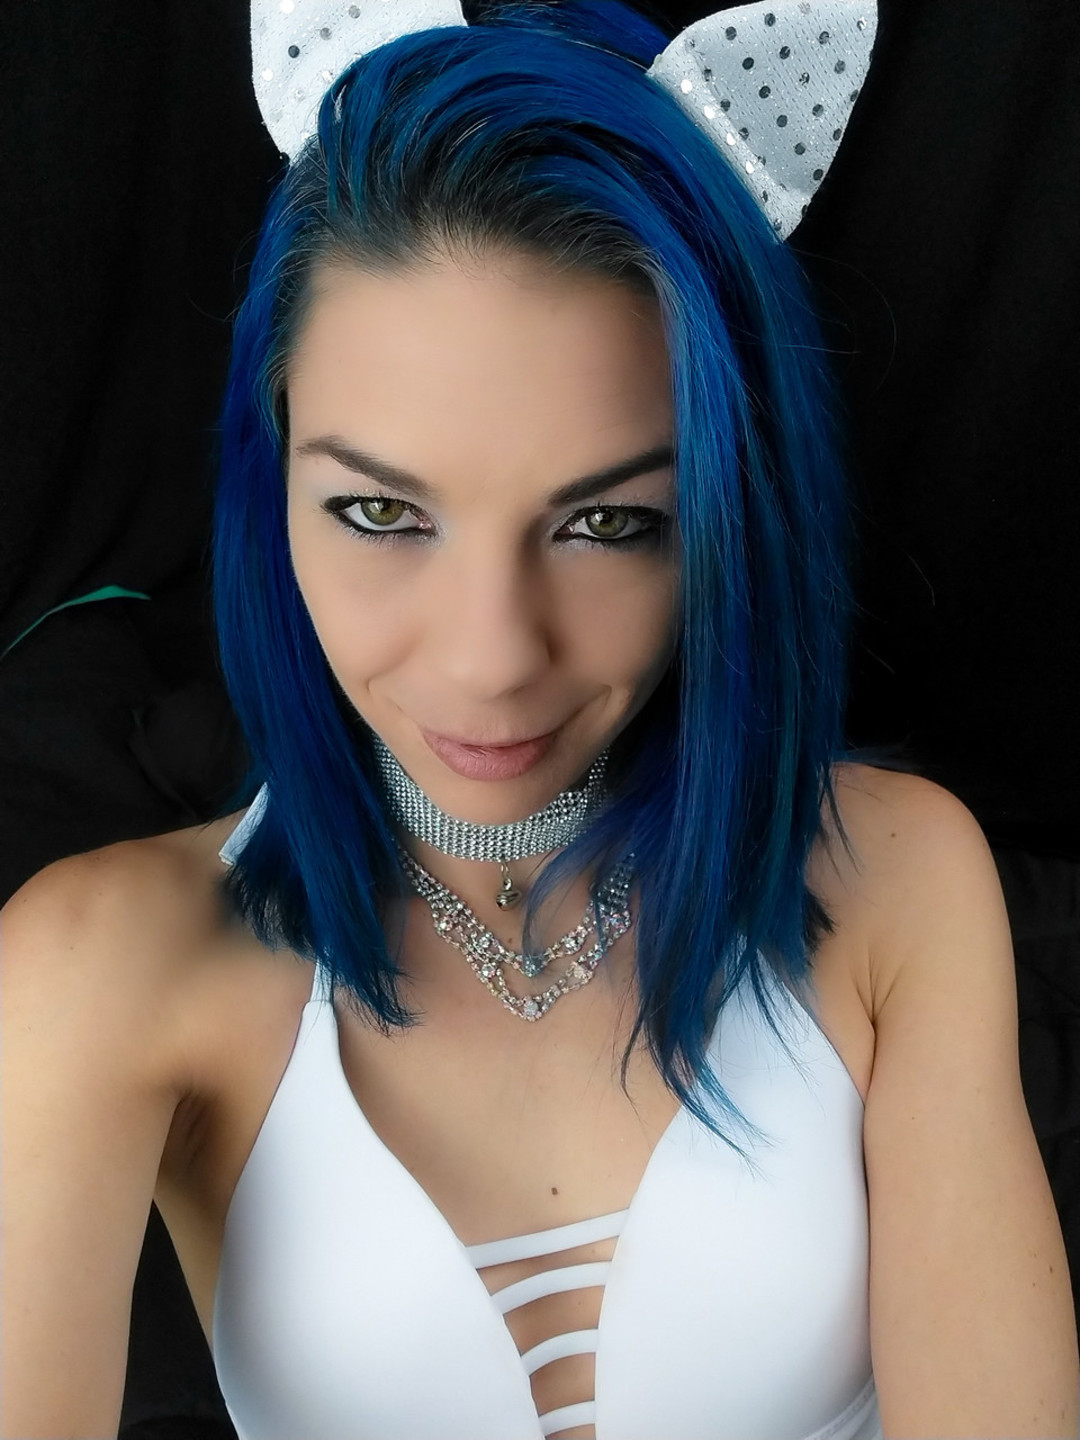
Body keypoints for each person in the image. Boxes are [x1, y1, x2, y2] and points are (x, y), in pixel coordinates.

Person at [2, 2, 1077, 1437]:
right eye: (381, 514)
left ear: (730, 516)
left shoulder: (894, 878)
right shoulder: (100, 966)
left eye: (607, 523)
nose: (493, 659)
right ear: (272, 490)